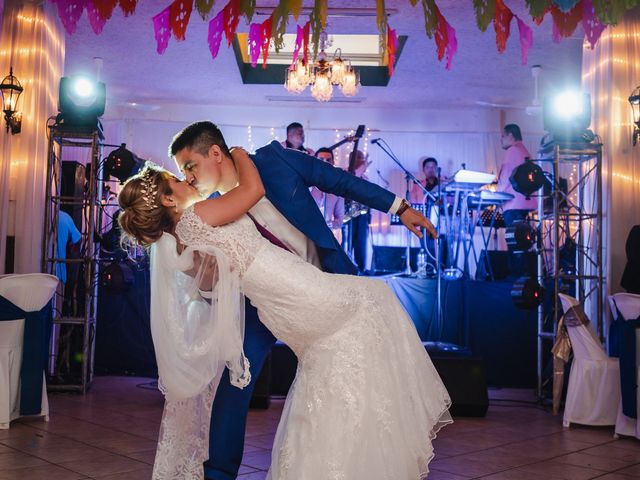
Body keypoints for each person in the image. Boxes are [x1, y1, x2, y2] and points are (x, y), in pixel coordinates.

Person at [118, 146, 451, 479]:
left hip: (291, 295)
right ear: (168, 201)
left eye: (187, 167)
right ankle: (221, 469)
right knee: (375, 300)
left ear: (213, 153)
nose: (187, 177)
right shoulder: (200, 214)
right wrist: (240, 154)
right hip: (289, 295)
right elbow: (252, 193)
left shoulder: (187, 233)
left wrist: (400, 207)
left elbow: (340, 182)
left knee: (332, 365)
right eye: (177, 177)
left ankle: (340, 455)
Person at [496, 124, 537, 227]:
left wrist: (497, 197)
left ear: (510, 135)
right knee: (522, 239)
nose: (501, 140)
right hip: (525, 203)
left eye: (503, 136)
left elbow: (505, 178)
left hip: (513, 204)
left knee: (514, 240)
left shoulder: (512, 151)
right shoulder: (524, 151)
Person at [310, 148, 344, 242]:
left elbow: (340, 219)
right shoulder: (306, 183)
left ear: (333, 162)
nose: (324, 163)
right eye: (321, 160)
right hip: (305, 235)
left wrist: (330, 224)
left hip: (326, 237)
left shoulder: (338, 188)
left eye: (328, 160)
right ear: (315, 160)